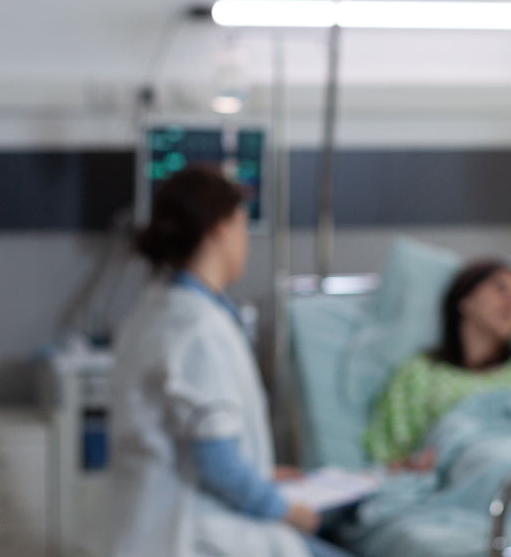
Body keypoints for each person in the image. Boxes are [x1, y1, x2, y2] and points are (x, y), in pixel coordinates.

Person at [103, 166, 352, 557]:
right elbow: (215, 462)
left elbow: (186, 444)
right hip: (193, 533)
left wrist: (261, 477)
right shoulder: (199, 327)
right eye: (241, 226)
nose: (245, 242)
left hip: (147, 522)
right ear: (220, 229)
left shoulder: (154, 310)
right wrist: (283, 508)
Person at [364, 260, 511, 470]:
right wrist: (415, 465)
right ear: (465, 300)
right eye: (500, 289)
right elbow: (387, 460)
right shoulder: (420, 374)